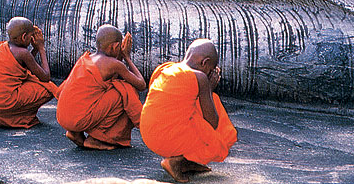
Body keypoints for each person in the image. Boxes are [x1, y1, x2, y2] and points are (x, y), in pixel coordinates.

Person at [140, 39, 237, 183]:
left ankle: (187, 162)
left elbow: (169, 104)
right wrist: (209, 89)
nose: (210, 74)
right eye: (211, 70)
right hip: (168, 138)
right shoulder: (199, 77)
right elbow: (212, 122)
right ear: (205, 63)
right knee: (223, 136)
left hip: (147, 134)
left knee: (199, 108)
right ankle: (177, 161)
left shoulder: (165, 68)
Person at [56, 24, 146, 150]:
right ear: (115, 46)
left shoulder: (87, 57)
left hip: (63, 117)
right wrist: (127, 57)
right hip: (79, 119)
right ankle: (96, 139)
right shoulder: (112, 64)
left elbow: (112, 77)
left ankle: (75, 133)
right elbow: (141, 84)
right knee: (126, 91)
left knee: (114, 87)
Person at [0, 17, 58, 128]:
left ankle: (4, 116)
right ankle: (14, 119)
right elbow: (45, 76)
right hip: (1, 101)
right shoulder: (23, 53)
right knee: (48, 88)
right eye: (31, 36)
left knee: (31, 80)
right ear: (24, 37)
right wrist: (41, 48)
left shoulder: (2, 46)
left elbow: (24, 64)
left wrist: (35, 49)